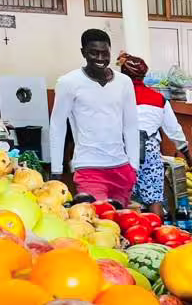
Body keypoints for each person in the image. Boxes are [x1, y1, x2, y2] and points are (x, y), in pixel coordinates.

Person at [49, 29, 139, 206]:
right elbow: (58, 126)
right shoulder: (68, 82)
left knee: (120, 225)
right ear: (83, 52)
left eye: (104, 53)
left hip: (122, 168)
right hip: (89, 168)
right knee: (99, 221)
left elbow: (131, 125)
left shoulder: (124, 82)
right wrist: (56, 170)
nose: (100, 58)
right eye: (93, 53)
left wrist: (133, 166)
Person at [117, 52, 192, 217]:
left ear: (123, 75)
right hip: (150, 150)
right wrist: (187, 153)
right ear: (144, 75)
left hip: (121, 149)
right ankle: (158, 235)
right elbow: (174, 130)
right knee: (154, 199)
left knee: (122, 200)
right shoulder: (158, 99)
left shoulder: (115, 97)